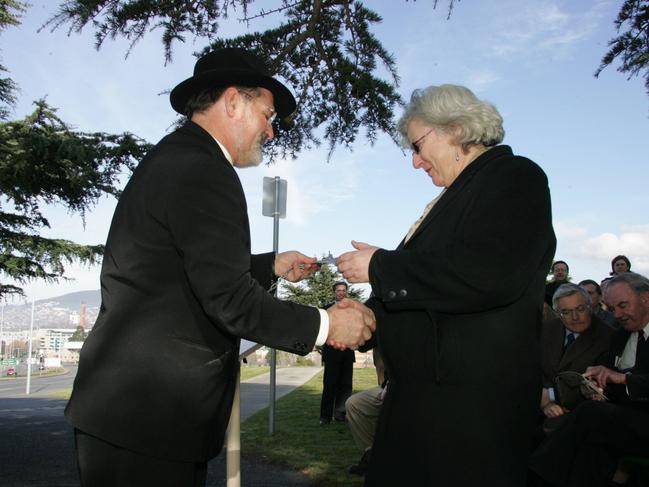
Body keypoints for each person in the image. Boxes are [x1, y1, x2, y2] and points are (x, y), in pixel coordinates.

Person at [64, 48, 375, 487]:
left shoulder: (178, 159)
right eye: (267, 114)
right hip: (150, 417)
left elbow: (184, 270)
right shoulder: (202, 170)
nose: (270, 130)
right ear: (233, 102)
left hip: (135, 415)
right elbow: (227, 297)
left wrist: (271, 265)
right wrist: (326, 327)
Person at [336, 84, 556, 487]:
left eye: (418, 146)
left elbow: (487, 273)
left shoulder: (515, 177)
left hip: (469, 414)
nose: (416, 163)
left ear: (455, 129)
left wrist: (382, 266)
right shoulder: (450, 198)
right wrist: (368, 316)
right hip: (420, 405)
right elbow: (427, 282)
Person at [529, 272, 649, 487]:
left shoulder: (608, 335)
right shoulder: (623, 336)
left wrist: (623, 379)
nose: (618, 314)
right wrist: (597, 389)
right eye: (612, 309)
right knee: (591, 438)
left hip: (637, 420)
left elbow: (624, 379)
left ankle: (534, 476)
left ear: (646, 299)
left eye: (623, 305)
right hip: (622, 418)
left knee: (589, 415)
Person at [539, 283, 614, 426]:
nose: (575, 317)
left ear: (590, 306)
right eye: (566, 312)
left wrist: (549, 396)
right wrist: (544, 403)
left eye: (580, 309)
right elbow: (532, 370)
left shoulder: (608, 338)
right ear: (558, 313)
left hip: (580, 418)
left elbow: (602, 388)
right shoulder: (547, 330)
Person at [320, 281, 356, 425]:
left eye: (343, 290)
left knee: (346, 386)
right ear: (334, 292)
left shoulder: (353, 311)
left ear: (346, 292)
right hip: (331, 354)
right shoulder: (326, 310)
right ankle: (325, 417)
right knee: (329, 385)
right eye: (338, 290)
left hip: (347, 353)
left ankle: (341, 414)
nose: (341, 292)